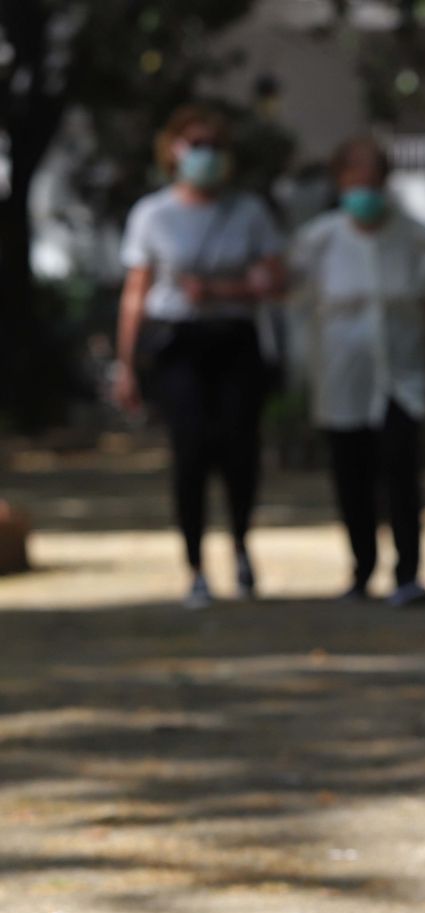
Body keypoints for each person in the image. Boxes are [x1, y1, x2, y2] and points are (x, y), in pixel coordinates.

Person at [115, 104, 286, 609]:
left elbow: (277, 281)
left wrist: (223, 289)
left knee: (238, 449)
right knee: (190, 452)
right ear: (173, 151)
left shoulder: (249, 212)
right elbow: (136, 292)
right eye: (195, 145)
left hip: (234, 340)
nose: (205, 155)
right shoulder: (153, 215)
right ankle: (194, 565)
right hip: (179, 346)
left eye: (215, 145)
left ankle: (240, 545)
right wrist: (127, 365)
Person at [291, 135, 425, 607]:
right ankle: (361, 570)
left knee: (401, 472)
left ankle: (408, 574)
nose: (364, 190)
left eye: (373, 181)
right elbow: (288, 295)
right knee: (351, 476)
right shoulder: (317, 241)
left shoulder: (416, 237)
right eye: (354, 181)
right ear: (340, 184)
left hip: (402, 377)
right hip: (343, 379)